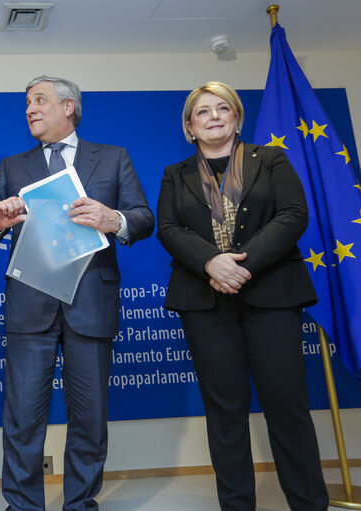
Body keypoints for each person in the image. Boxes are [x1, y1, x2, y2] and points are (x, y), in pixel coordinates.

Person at [0, 75, 154, 511]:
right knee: (21, 419)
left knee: (89, 419)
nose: (29, 109)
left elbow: (143, 218)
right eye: (26, 104)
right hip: (29, 307)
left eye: (39, 100)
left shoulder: (112, 159)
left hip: (90, 304)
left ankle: (80, 504)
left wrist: (114, 219)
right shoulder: (13, 166)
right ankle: (21, 505)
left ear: (69, 106)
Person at [156, 81, 328, 511]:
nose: (213, 116)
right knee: (225, 412)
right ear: (189, 127)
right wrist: (212, 263)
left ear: (236, 117)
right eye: (202, 112)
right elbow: (169, 229)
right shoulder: (175, 174)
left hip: (271, 296)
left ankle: (309, 504)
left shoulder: (270, 159)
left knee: (287, 407)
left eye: (222, 109)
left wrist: (241, 267)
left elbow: (293, 215)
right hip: (205, 302)